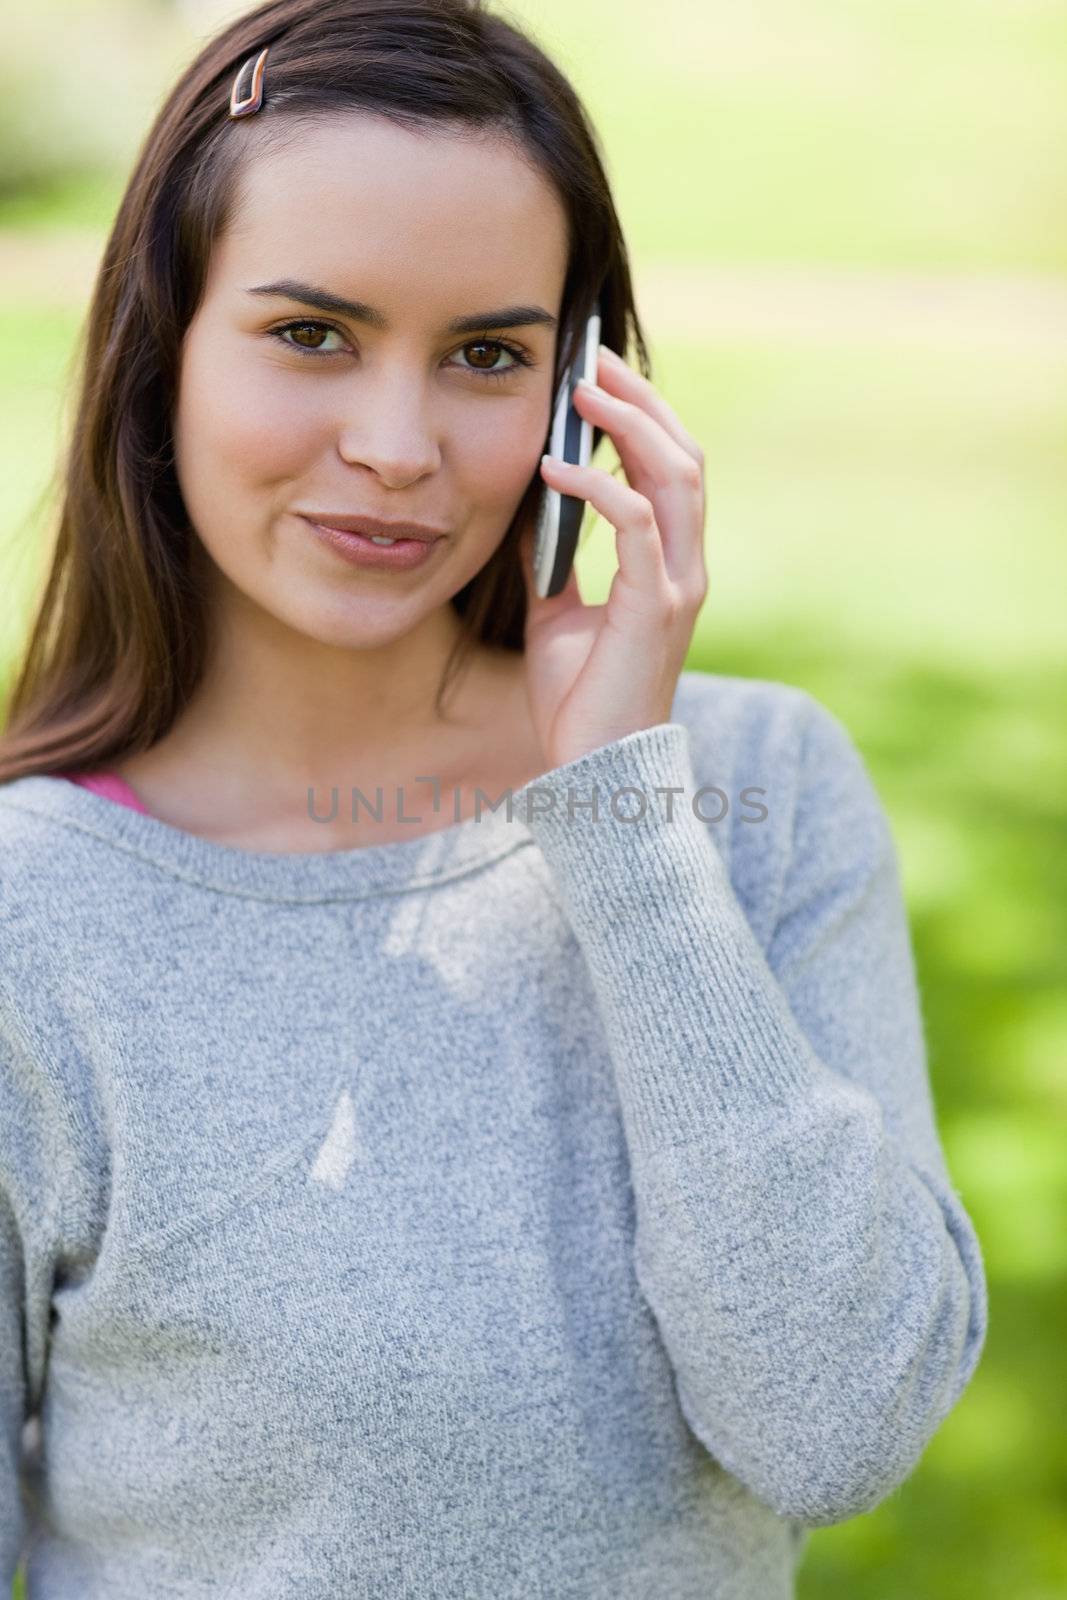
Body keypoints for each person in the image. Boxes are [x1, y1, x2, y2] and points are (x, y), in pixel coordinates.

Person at [0, 1, 987, 1595]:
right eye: (311, 334)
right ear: (158, 352)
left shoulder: (765, 793)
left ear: (584, 390)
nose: (397, 448)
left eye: (486, 356)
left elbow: (837, 1428)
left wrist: (621, 814)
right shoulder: (28, 920)